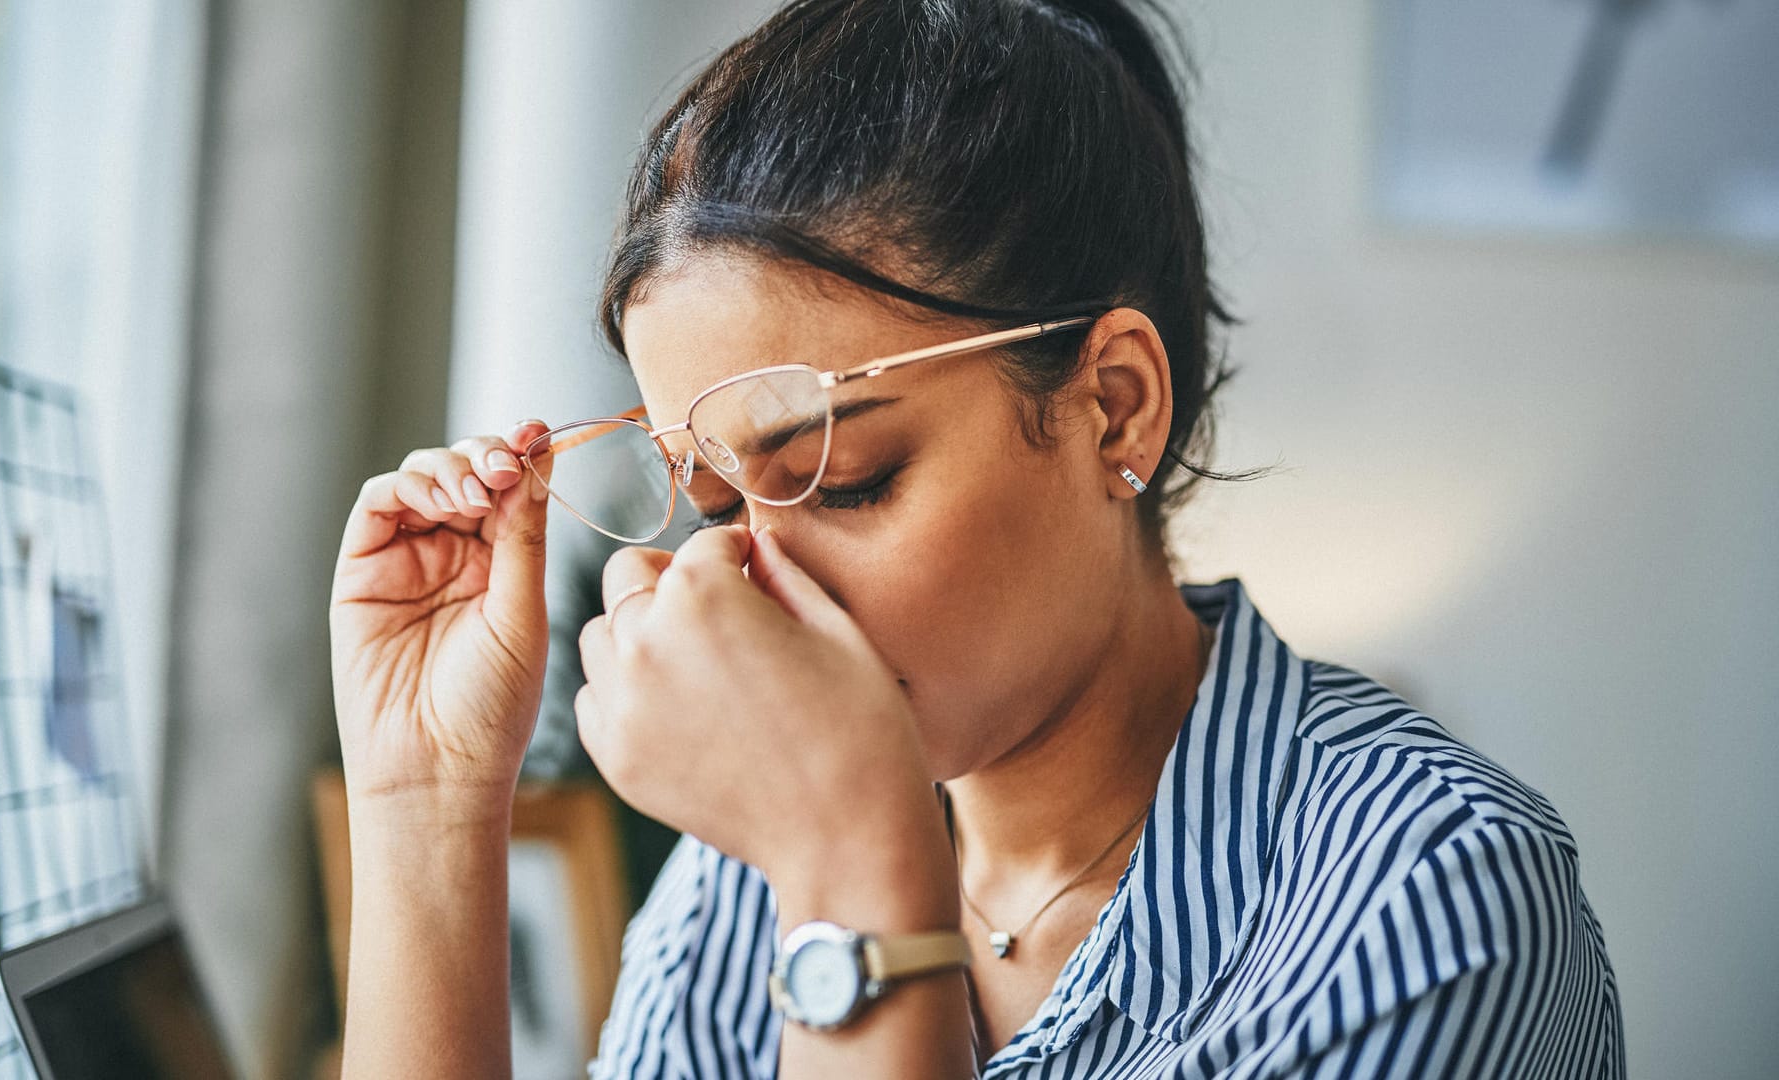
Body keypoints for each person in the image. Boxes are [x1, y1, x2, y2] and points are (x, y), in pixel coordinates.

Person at [327, 0, 1625, 1076]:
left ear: (1112, 405)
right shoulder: (747, 874)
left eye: (846, 479)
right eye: (713, 505)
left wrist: (855, 882)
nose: (743, 584)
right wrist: (430, 802)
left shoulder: (1432, 906)